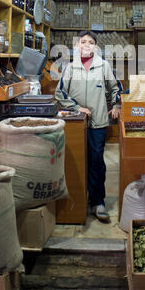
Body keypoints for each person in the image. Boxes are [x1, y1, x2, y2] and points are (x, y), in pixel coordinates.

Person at [55, 30, 122, 223]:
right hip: (75, 123)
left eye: (90, 42)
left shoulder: (103, 66)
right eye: (83, 41)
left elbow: (115, 87)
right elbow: (60, 94)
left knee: (96, 162)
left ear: (95, 46)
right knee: (74, 161)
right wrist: (78, 108)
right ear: (77, 45)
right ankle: (75, 201)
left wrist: (116, 105)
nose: (86, 45)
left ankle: (98, 202)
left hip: (98, 122)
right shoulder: (70, 68)